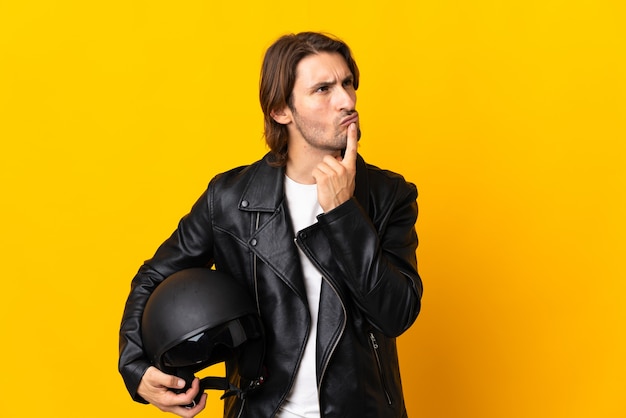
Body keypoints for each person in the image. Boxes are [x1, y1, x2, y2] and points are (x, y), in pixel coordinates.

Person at [119, 31, 423, 418]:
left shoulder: (388, 194)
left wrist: (344, 214)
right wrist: (136, 368)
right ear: (281, 110)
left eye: (348, 83)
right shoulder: (229, 200)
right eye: (323, 89)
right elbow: (153, 278)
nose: (347, 101)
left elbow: (397, 313)